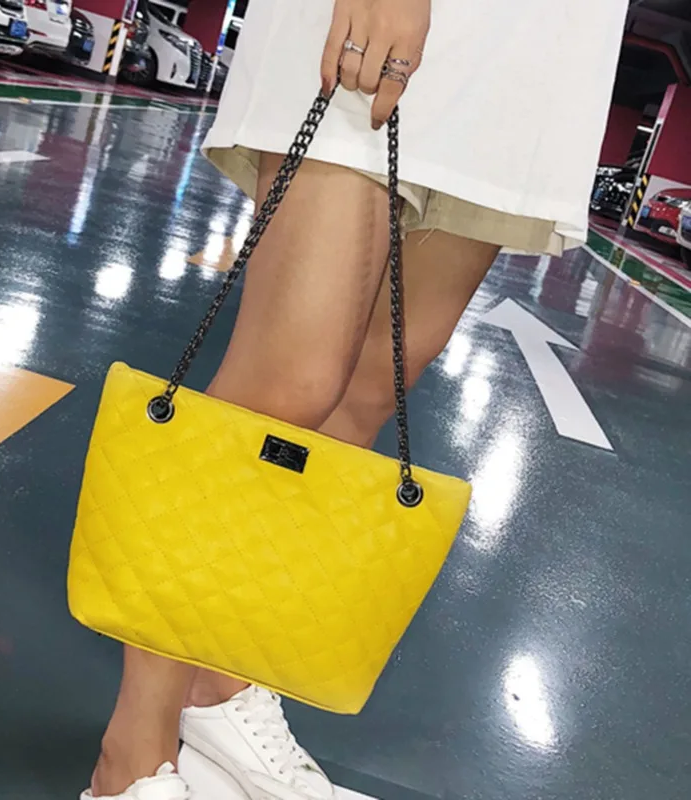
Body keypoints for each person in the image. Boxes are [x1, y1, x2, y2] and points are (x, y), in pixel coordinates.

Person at [83, 0, 629, 797]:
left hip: (534, 36)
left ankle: (219, 689)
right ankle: (130, 757)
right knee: (288, 380)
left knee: (368, 390)